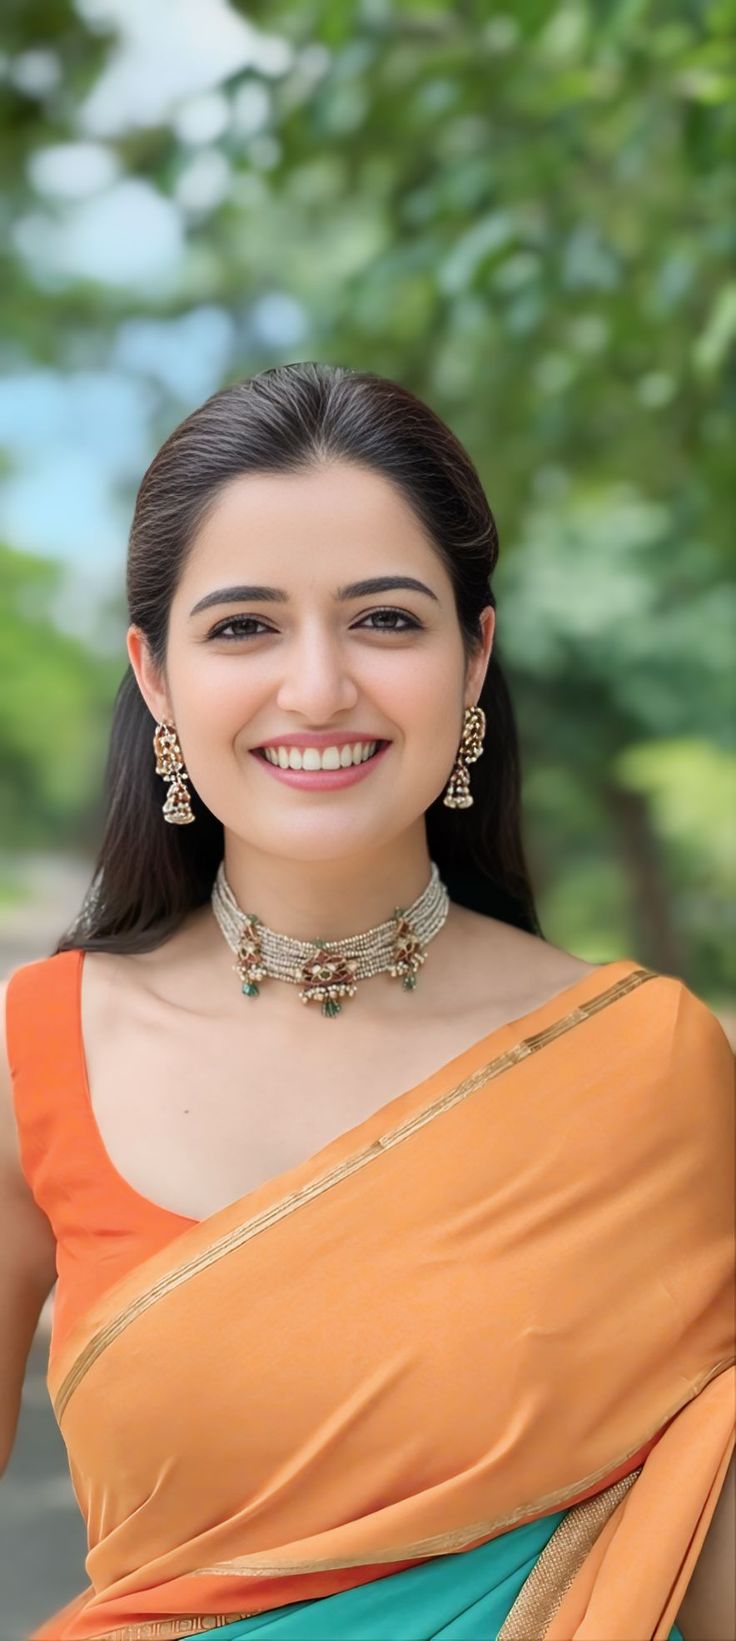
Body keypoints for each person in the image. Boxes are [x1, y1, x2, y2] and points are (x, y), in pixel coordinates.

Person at [1, 362, 733, 1641]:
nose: (320, 687)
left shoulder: (647, 1066)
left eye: (386, 620)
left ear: (474, 656)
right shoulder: (35, 1054)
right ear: (156, 677)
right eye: (243, 627)